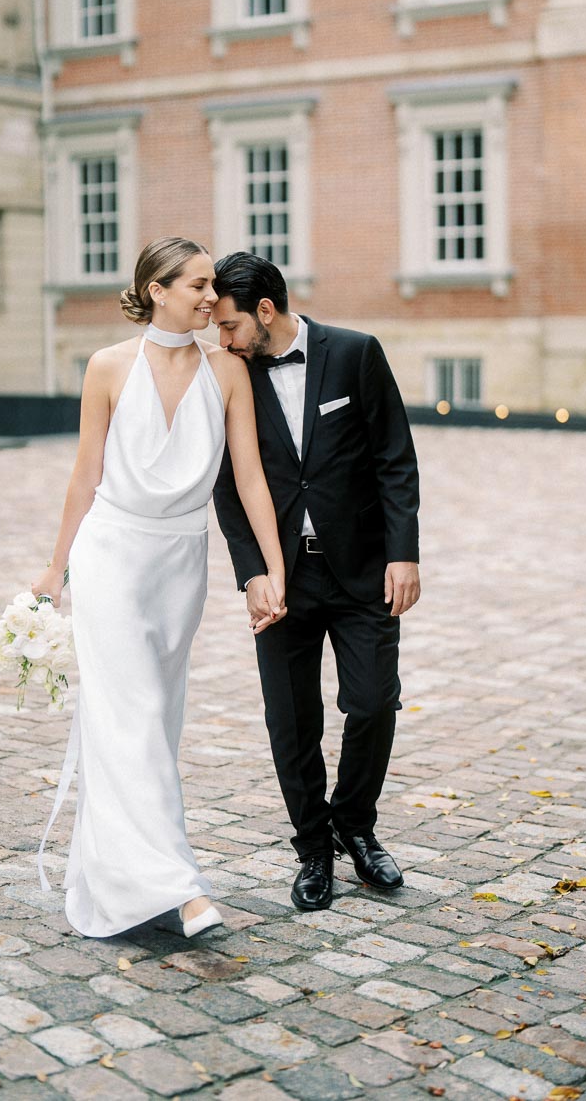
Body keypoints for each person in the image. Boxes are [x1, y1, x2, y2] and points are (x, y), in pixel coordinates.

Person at [33, 238, 286, 939]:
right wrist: (56, 571)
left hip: (179, 565)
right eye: (200, 285)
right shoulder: (108, 367)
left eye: (213, 286)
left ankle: (120, 883)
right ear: (157, 290)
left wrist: (273, 567)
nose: (214, 297)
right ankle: (181, 890)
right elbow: (85, 475)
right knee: (132, 717)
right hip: (112, 555)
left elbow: (250, 477)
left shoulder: (228, 370)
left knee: (153, 721)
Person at [212, 253, 420, 912]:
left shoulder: (356, 354)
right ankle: (312, 848)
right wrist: (251, 573)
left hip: (362, 569)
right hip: (282, 578)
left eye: (230, 325)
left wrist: (403, 553)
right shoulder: (229, 375)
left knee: (372, 701)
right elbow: (226, 487)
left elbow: (395, 459)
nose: (223, 339)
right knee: (291, 720)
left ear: (266, 311)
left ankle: (355, 825)